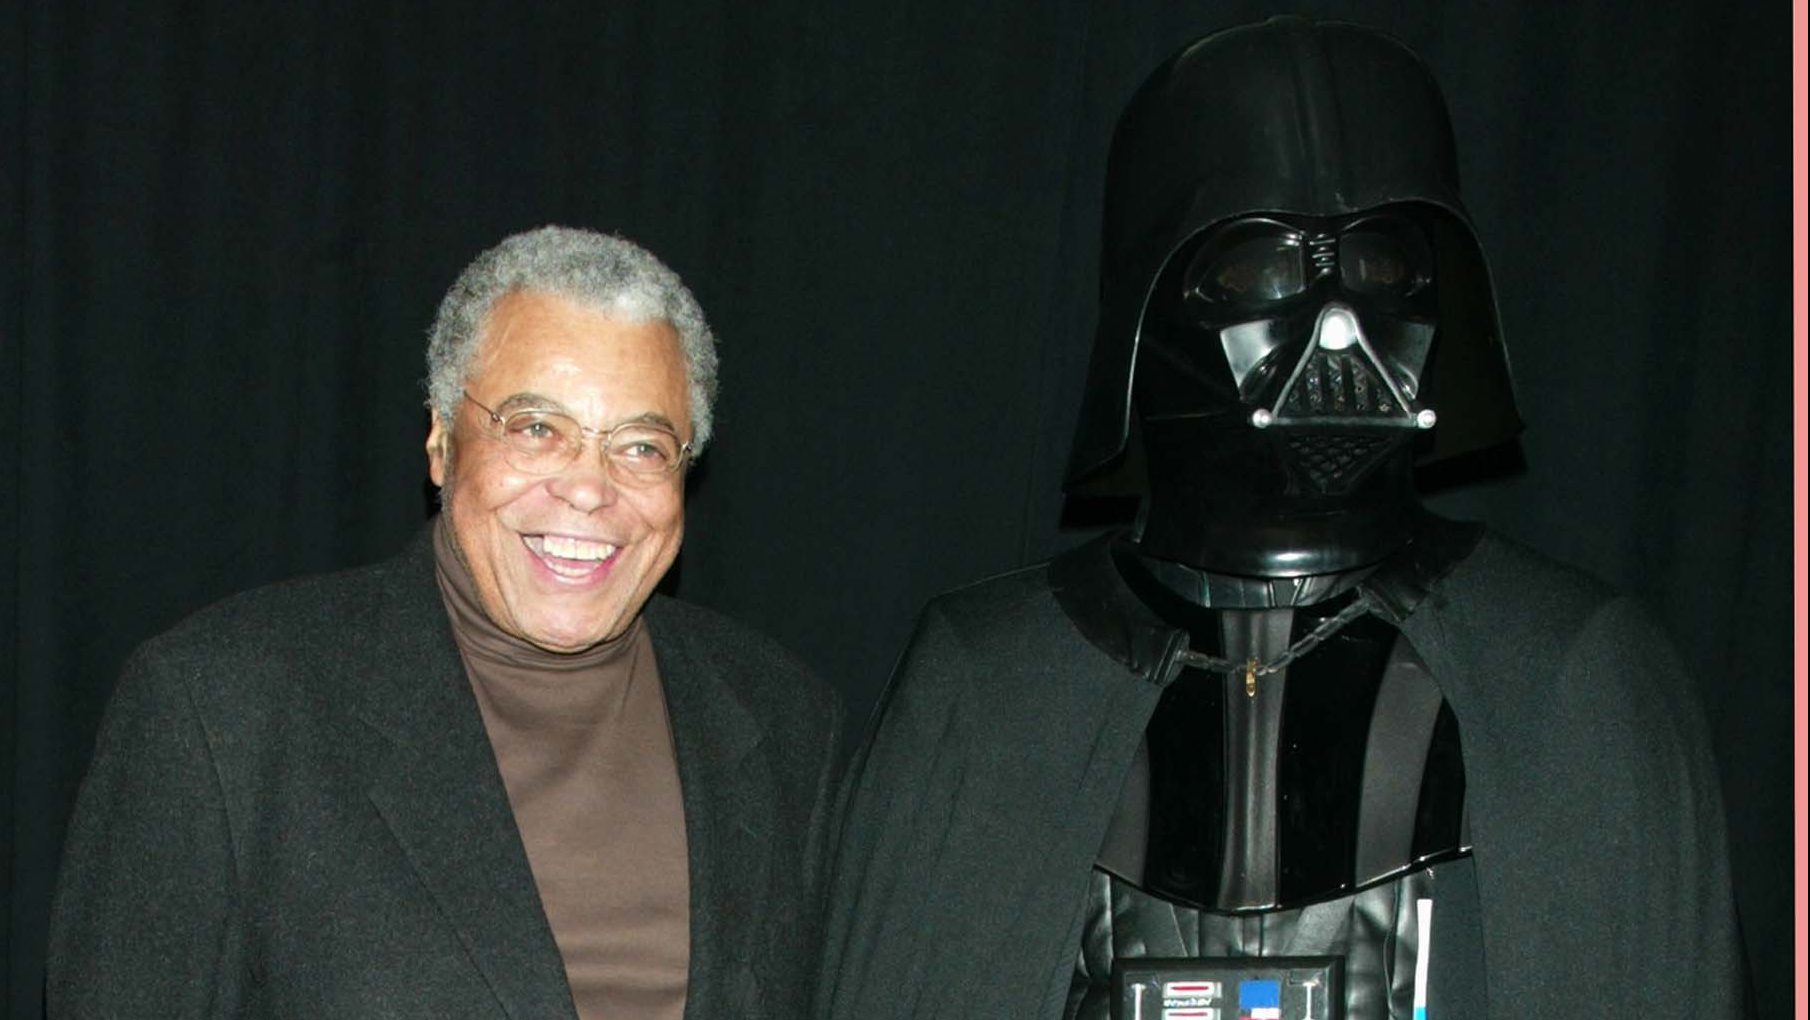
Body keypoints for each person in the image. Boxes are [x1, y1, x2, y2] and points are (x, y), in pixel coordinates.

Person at [815, 18, 1743, 1020]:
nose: (1337, 326)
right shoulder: (992, 687)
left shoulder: (1566, 677)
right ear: (1149, 308)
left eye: (1381, 264)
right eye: (1261, 270)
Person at [48, 226, 844, 1018]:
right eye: (537, 429)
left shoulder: (784, 721)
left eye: (641, 445)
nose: (589, 488)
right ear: (439, 441)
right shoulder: (224, 710)